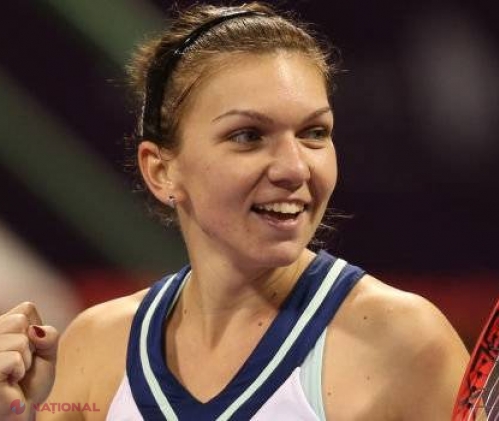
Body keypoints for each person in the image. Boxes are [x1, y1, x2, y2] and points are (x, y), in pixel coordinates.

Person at [0, 3, 469, 420]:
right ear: (161, 171)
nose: (294, 168)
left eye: (314, 133)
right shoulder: (94, 348)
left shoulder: (405, 345)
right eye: (248, 136)